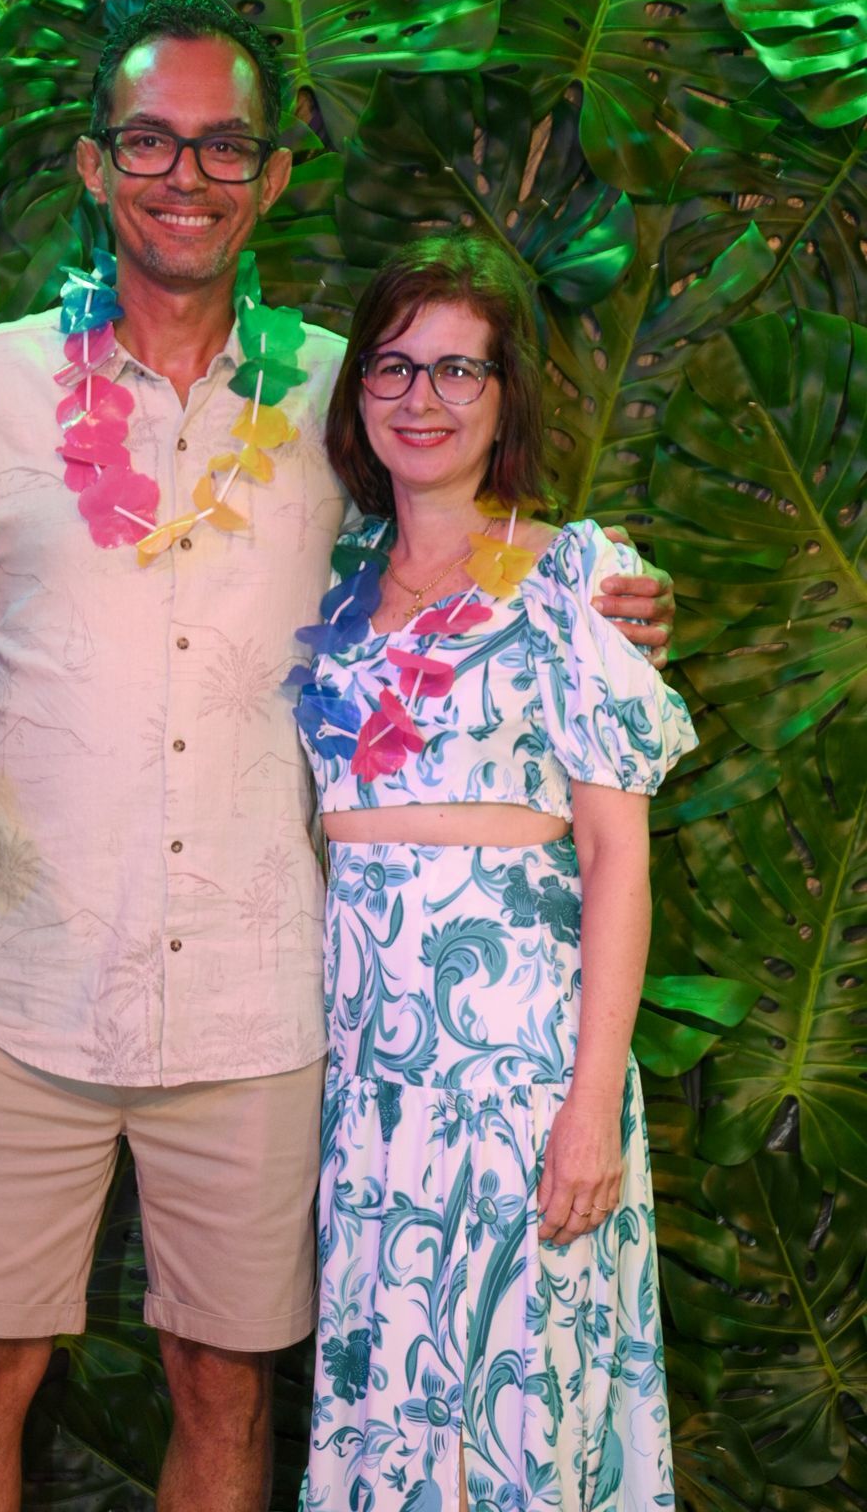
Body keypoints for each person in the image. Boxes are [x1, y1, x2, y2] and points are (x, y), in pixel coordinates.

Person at [0, 0, 676, 1512]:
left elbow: (462, 552)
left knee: (226, 1387)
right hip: (15, 976)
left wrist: (607, 592)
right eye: (151, 141)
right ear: (95, 165)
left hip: (258, 1002)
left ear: (271, 178)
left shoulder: (352, 396)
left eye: (223, 147)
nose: (185, 176)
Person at [291, 233, 696, 1511]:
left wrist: (590, 1106)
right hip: (368, 1086)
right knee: (391, 1414)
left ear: (507, 393)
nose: (423, 399)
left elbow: (617, 856)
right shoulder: (331, 579)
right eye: (394, 366)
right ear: (358, 388)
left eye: (459, 370)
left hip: (522, 1076)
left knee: (513, 1418)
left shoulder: (581, 574)